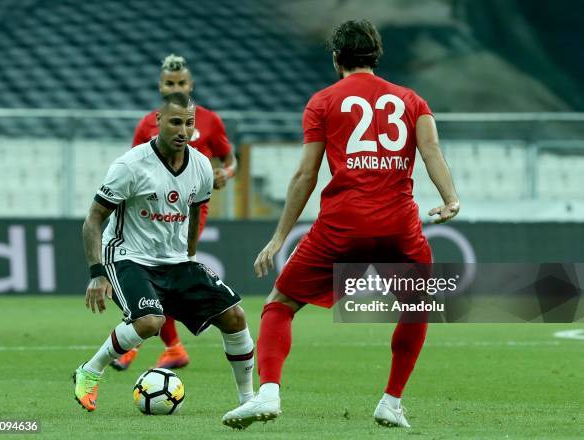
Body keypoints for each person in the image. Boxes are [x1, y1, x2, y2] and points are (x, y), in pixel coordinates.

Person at [222, 20, 459, 429]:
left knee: (280, 304)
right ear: (376, 55)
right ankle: (391, 401)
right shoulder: (412, 100)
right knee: (417, 306)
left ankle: (269, 393)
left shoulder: (323, 101)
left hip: (342, 225)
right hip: (400, 226)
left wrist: (280, 236)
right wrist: (450, 198)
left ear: (337, 59)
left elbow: (305, 175)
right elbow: (431, 150)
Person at [73, 92, 253, 412]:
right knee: (149, 322)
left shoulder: (200, 166)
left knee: (235, 317)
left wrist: (191, 255)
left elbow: (198, 209)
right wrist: (97, 273)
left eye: (188, 123)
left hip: (175, 260)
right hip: (128, 255)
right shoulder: (130, 165)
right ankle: (90, 371)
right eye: (174, 122)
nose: (182, 130)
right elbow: (94, 219)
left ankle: (248, 401)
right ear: (157, 121)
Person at [112, 54, 237, 371]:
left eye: (181, 83)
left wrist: (227, 174)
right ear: (160, 86)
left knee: (163, 271)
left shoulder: (210, 120)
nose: (174, 88)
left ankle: (148, 341)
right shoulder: (147, 124)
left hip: (191, 207)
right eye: (169, 83)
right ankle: (163, 344)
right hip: (154, 208)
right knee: (151, 273)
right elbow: (135, 168)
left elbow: (229, 158)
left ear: (190, 85)